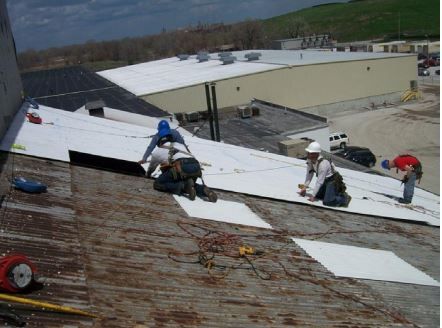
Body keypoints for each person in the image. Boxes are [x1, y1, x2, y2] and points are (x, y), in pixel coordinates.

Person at [146, 135, 217, 202]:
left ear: (159, 143)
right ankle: (204, 190)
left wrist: (148, 174)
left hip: (181, 166)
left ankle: (183, 187)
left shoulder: (158, 151)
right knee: (189, 184)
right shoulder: (180, 145)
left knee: (158, 184)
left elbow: (152, 167)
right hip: (196, 166)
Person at [298, 141, 351, 207]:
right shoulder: (309, 160)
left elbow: (319, 181)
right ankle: (329, 193)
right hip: (324, 181)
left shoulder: (323, 164)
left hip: (332, 180)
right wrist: (304, 188)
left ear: (317, 154)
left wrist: (312, 196)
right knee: (318, 196)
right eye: (308, 152)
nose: (308, 154)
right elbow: (309, 174)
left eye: (311, 153)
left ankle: (344, 198)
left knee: (328, 202)